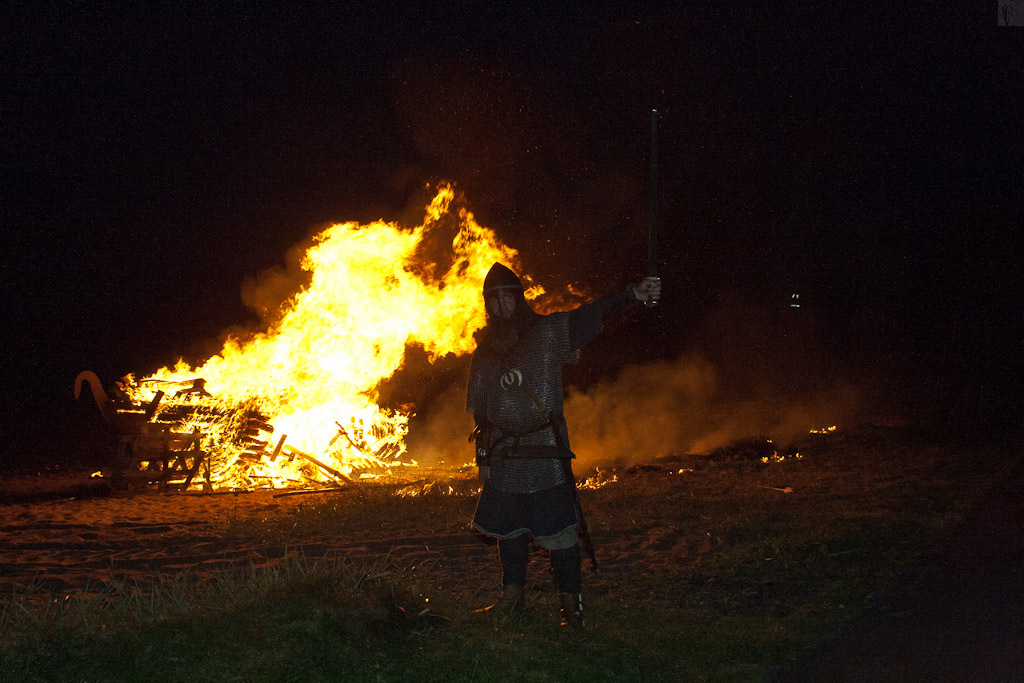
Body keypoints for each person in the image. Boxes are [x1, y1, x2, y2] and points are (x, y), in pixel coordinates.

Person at [467, 262, 661, 629]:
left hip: (545, 451)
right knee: (508, 530)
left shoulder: (547, 333)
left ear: (518, 300)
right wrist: (484, 457)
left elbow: (589, 317)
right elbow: (481, 413)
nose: (500, 308)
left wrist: (631, 295)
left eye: (506, 299)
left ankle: (571, 606)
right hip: (506, 454)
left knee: (559, 533)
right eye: (493, 302)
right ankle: (513, 594)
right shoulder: (485, 354)